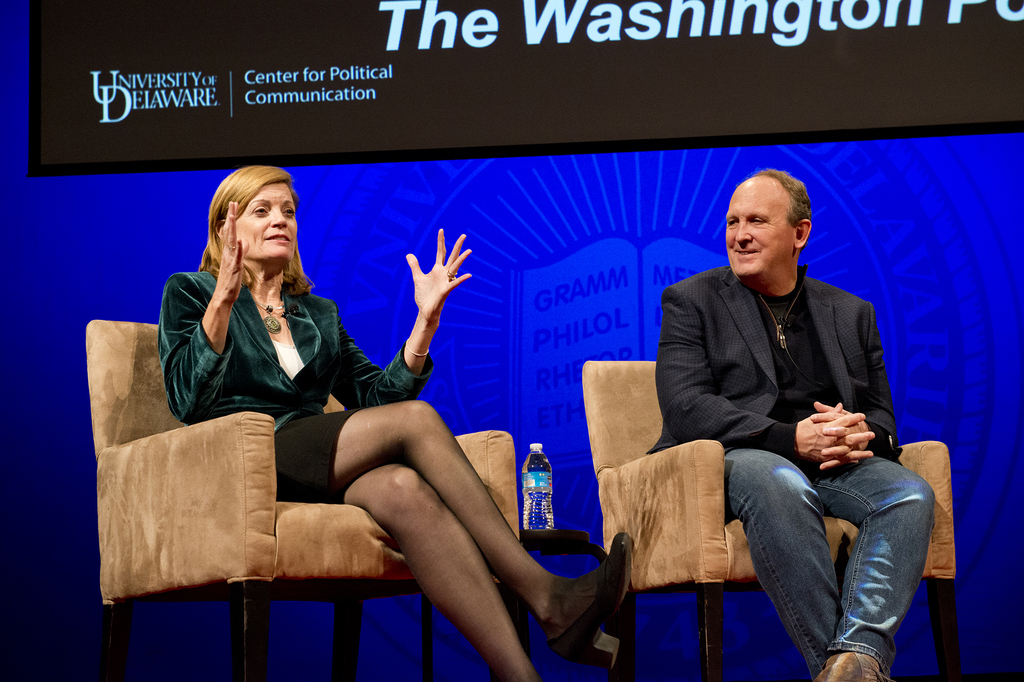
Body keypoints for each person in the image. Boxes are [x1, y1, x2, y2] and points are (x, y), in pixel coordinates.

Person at [158, 165, 631, 681]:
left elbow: (372, 399)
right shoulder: (189, 291)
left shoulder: (317, 312)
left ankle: (520, 675)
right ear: (226, 229)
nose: (280, 222)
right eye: (262, 210)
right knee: (414, 421)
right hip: (247, 452)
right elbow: (188, 398)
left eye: (289, 212)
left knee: (403, 488)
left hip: (313, 458)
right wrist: (223, 299)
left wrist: (422, 326)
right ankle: (546, 595)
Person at [650, 169, 935, 682]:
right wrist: (789, 438)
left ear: (800, 233)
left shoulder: (851, 314)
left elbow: (882, 417)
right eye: (733, 221)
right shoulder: (692, 301)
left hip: (831, 462)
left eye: (756, 221)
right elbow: (686, 407)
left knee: (910, 493)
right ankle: (848, 669)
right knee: (778, 480)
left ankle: (853, 661)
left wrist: (857, 432)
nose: (739, 234)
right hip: (736, 454)